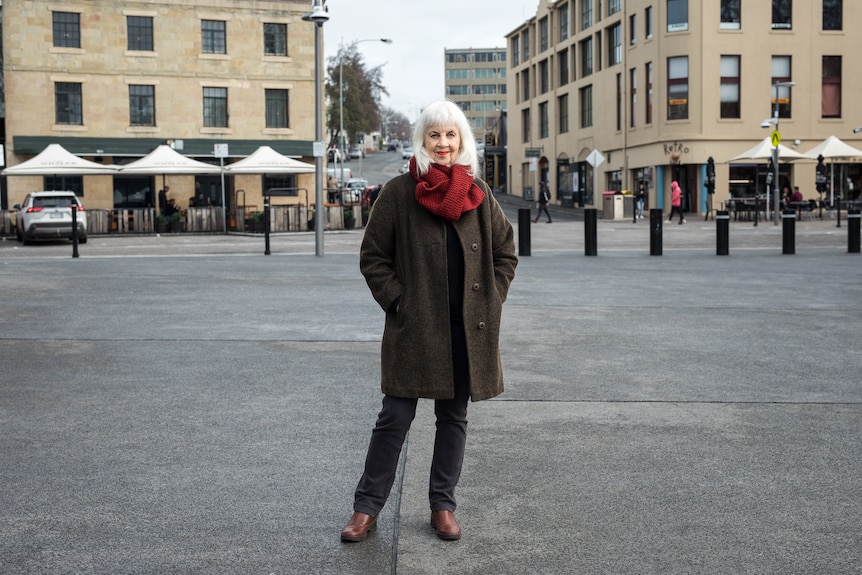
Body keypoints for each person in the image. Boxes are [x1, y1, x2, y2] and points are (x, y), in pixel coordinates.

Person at [341, 100, 518, 543]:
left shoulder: (477, 193)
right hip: (414, 328)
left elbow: (505, 252)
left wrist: (491, 299)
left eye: (451, 135)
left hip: (465, 328)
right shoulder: (399, 193)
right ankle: (366, 508)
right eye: (435, 135)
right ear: (423, 140)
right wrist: (399, 302)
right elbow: (373, 258)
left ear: (462, 141)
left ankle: (442, 505)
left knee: (452, 418)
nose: (443, 143)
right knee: (395, 417)